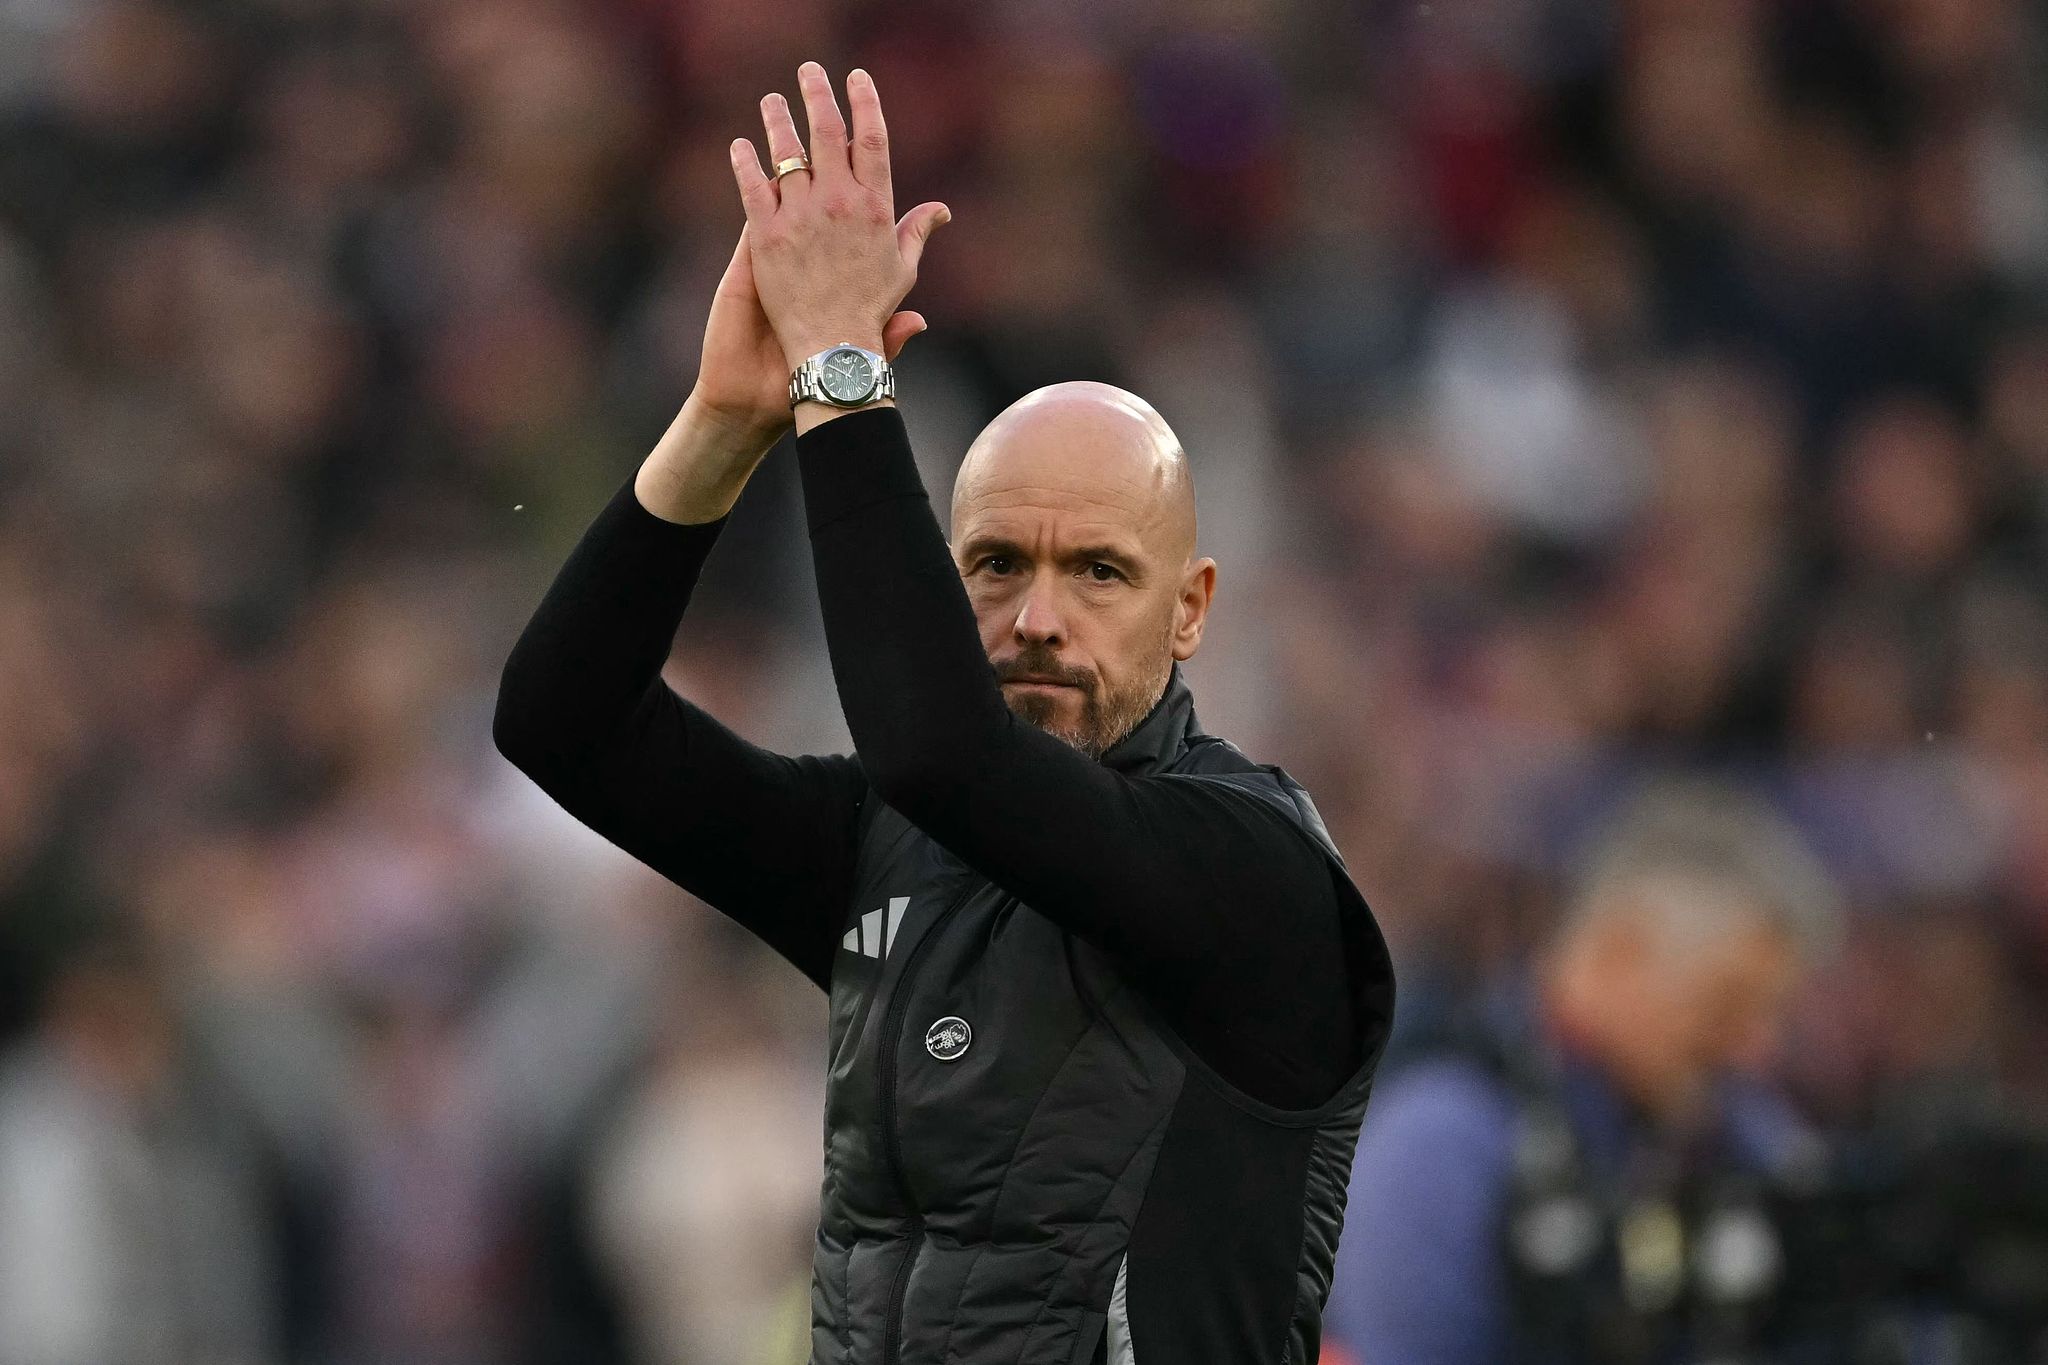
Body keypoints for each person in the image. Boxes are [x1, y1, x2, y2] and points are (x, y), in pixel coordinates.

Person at [491, 62, 1394, 1365]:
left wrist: (844, 381)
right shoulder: (891, 850)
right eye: (995, 565)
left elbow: (936, 748)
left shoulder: (1254, 867)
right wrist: (726, 423)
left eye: (1098, 573)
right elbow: (562, 723)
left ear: (1191, 609)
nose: (1037, 617)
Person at [1321, 782, 1841, 1365]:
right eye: (1727, 1004)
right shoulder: (1444, 1143)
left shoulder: (1744, 1139)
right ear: (1619, 951)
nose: (1754, 1048)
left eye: (1772, 1013)